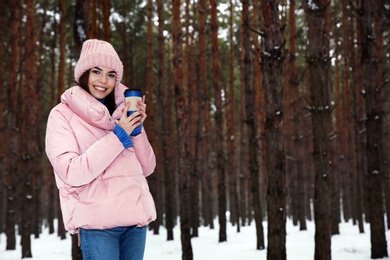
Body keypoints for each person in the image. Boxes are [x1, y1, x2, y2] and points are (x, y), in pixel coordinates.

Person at [45, 39, 156, 260]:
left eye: (111, 74)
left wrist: (136, 131)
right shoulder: (62, 115)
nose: (103, 81)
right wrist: (119, 136)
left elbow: (148, 167)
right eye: (97, 71)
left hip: (134, 223)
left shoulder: (122, 112)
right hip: (97, 226)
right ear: (84, 74)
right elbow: (71, 172)